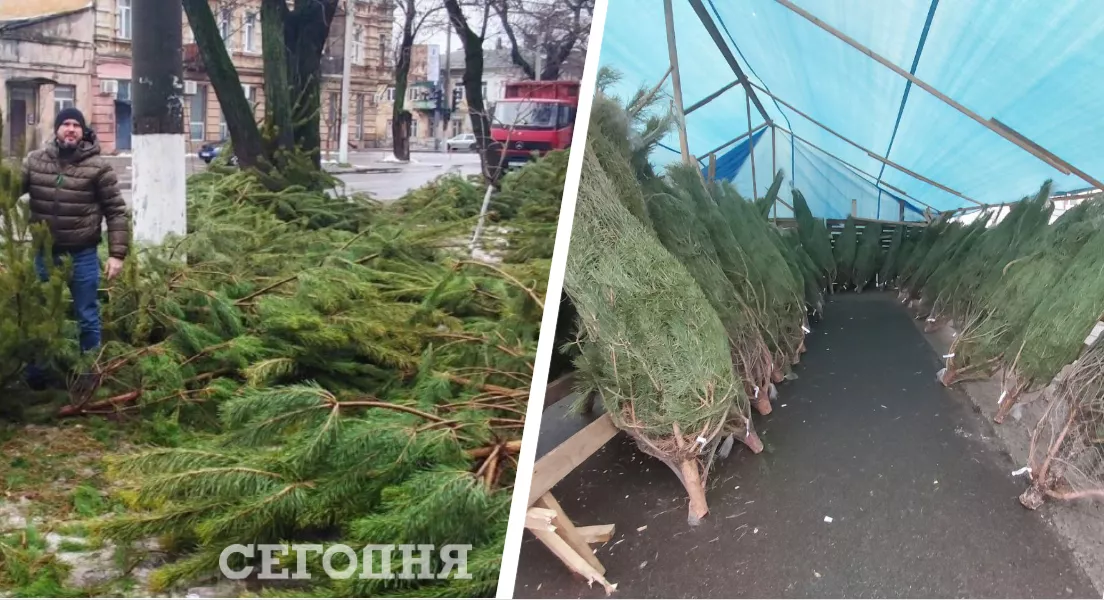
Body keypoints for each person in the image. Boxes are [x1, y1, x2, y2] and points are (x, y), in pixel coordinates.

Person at [21, 107, 130, 368]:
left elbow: (116, 211)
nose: (71, 129)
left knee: (87, 316)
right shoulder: (35, 161)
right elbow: (8, 191)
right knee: (41, 314)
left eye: (76, 125)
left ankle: (88, 374)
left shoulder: (98, 167)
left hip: (83, 256)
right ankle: (38, 377)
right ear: (57, 129)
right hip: (45, 255)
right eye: (66, 124)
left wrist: (117, 254)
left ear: (83, 131)